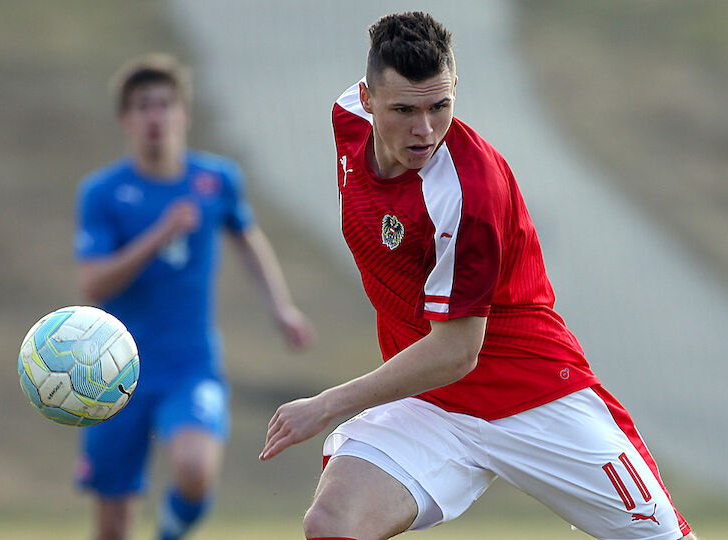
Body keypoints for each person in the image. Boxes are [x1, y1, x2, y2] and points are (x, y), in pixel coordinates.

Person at [260, 12, 696, 540]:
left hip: (532, 395)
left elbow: (457, 351)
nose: (424, 130)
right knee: (333, 524)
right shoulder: (346, 118)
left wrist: (326, 405)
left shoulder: (469, 192)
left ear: (456, 89)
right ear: (367, 99)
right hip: (433, 404)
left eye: (440, 107)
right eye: (404, 110)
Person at [73, 53, 314, 540]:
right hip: (111, 367)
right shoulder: (102, 192)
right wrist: (158, 236)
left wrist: (280, 308)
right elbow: (93, 284)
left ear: (182, 114)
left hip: (190, 363)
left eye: (165, 104)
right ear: (126, 119)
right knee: (112, 525)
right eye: (143, 106)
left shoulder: (215, 180)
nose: (155, 116)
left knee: (195, 468)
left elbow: (248, 241)